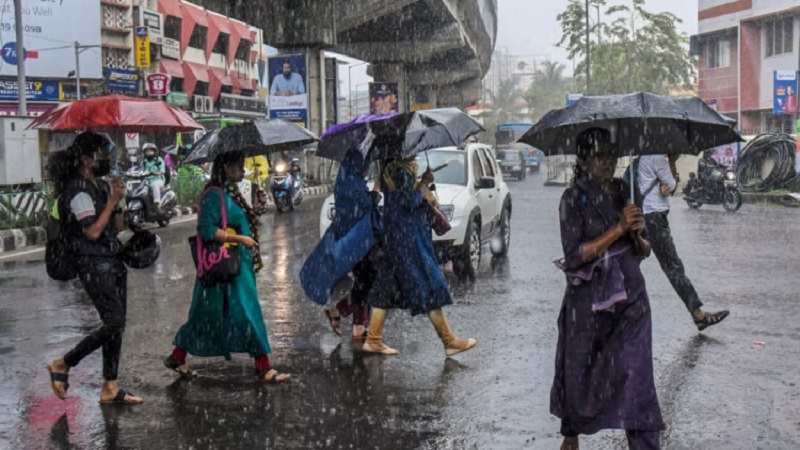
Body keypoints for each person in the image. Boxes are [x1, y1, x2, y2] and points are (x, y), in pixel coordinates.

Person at [552, 127, 663, 450]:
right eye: (600, 155)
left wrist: (639, 234)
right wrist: (618, 229)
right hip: (587, 303)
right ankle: (571, 435)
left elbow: (644, 251)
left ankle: (644, 443)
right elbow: (575, 256)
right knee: (580, 373)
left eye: (611, 154)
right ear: (584, 159)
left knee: (636, 374)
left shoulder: (625, 191)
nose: (607, 162)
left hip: (631, 301)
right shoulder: (573, 199)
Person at [163, 150, 290, 384]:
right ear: (226, 168)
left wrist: (257, 207)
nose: (242, 171)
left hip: (234, 268)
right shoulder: (213, 195)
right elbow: (206, 230)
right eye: (238, 166)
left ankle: (177, 357)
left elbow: (242, 220)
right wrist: (240, 240)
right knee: (245, 313)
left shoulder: (230, 192)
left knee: (206, 318)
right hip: (224, 269)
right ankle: (263, 367)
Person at [45, 131, 143, 405]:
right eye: (103, 153)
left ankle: (110, 386)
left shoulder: (100, 186)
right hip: (91, 263)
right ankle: (63, 363)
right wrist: (111, 202)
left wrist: (118, 200)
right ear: (88, 158)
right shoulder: (77, 190)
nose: (107, 158)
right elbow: (92, 232)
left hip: (112, 260)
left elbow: (117, 228)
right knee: (113, 321)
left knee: (117, 325)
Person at [365, 154, 478, 356]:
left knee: (386, 288)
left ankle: (373, 339)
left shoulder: (389, 168)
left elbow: (400, 201)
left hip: (396, 237)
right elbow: (409, 201)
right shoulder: (401, 171)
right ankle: (449, 341)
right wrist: (424, 183)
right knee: (429, 285)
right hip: (409, 239)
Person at [638, 153, 730, 331]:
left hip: (647, 214)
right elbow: (672, 184)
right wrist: (671, 163)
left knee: (631, 261)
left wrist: (669, 180)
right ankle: (698, 315)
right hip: (654, 217)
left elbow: (669, 187)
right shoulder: (658, 156)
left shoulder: (646, 155)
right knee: (673, 267)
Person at [324, 150, 379, 339]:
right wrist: (377, 191)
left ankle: (358, 324)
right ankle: (346, 313)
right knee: (367, 279)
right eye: (365, 165)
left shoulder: (346, 182)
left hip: (354, 237)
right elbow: (365, 206)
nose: (367, 169)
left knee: (364, 280)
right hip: (356, 239)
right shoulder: (353, 184)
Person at [140, 143, 166, 209]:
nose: (149, 152)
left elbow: (162, 171)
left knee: (155, 184)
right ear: (145, 153)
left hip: (158, 180)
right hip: (147, 181)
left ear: (154, 151)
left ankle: (157, 203)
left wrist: (153, 173)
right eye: (147, 151)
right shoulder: (143, 162)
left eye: (151, 150)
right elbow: (140, 171)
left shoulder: (158, 159)